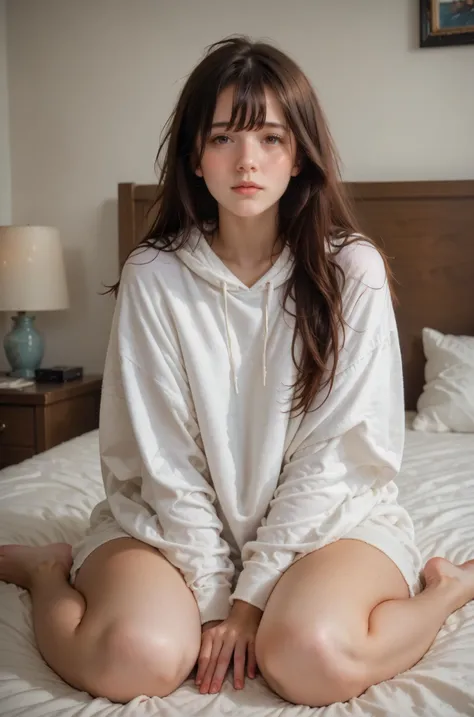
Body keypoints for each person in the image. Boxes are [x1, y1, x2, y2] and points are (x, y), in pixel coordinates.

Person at [1, 35, 474, 709]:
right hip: (167, 521)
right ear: (196, 154)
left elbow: (333, 459)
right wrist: (214, 586)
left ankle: (450, 587)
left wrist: (250, 600)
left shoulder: (352, 271)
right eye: (224, 137)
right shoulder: (154, 277)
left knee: (310, 657)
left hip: (333, 520)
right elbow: (163, 457)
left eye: (271, 139)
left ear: (300, 153)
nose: (247, 160)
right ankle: (48, 570)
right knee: (137, 656)